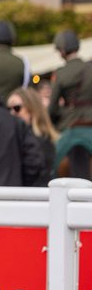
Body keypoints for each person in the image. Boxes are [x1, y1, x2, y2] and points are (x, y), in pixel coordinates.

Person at [49, 29, 92, 180]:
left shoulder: (62, 73)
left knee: (52, 165)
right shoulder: (90, 66)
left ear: (61, 50)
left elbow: (52, 108)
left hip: (72, 124)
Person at [7, 86, 58, 185]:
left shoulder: (44, 141)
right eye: (8, 109)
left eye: (17, 108)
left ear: (32, 110)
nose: (11, 112)